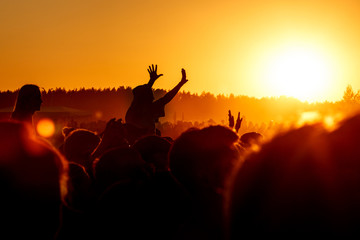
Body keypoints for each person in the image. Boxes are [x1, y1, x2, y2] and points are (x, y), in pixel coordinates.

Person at [125, 65, 188, 139]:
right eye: (151, 96)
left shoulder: (135, 111)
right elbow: (166, 98)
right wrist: (180, 83)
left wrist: (151, 81)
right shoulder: (144, 110)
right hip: (148, 144)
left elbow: (166, 98)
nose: (153, 98)